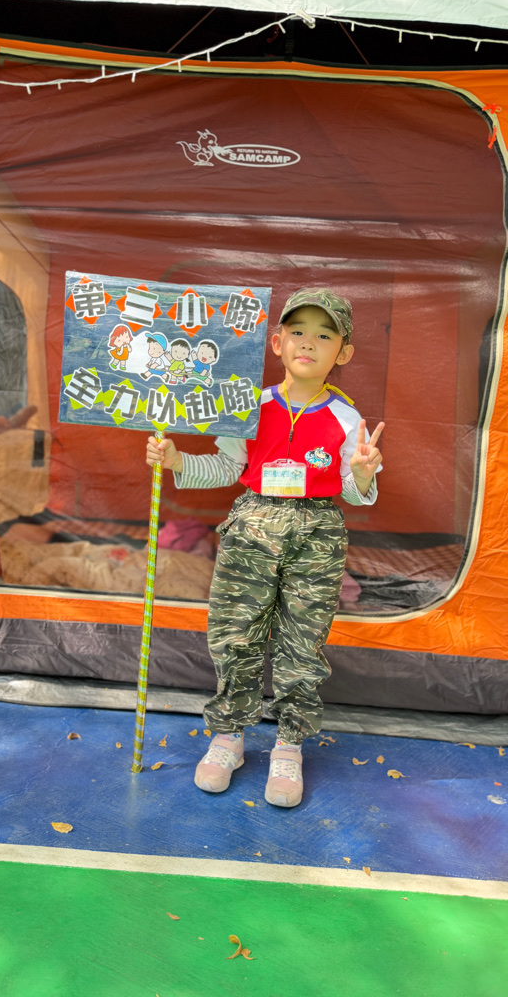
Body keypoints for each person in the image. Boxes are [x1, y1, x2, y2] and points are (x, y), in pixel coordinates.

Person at [146, 287, 384, 808]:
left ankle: (289, 745)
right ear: (277, 342)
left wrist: (363, 473)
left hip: (317, 535)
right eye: (297, 331)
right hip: (251, 528)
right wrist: (177, 461)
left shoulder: (348, 419)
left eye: (324, 335)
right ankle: (228, 737)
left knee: (303, 645)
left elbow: (353, 492)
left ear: (343, 353)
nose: (308, 343)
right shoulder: (248, 406)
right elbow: (226, 468)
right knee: (234, 635)